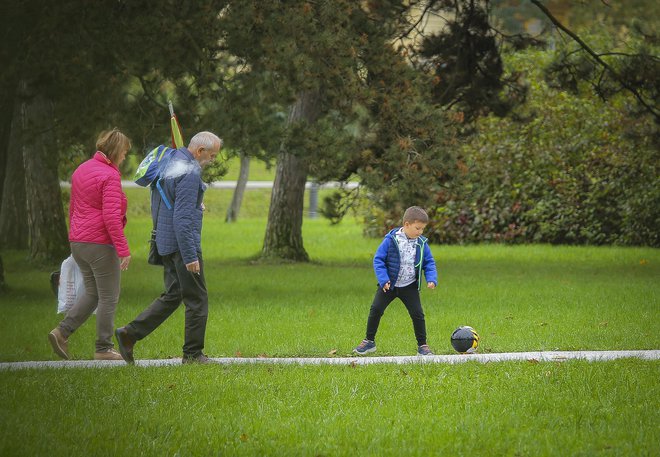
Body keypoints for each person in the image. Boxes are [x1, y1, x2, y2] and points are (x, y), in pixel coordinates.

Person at [115, 131, 222, 364]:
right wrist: (190, 256)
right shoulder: (190, 173)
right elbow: (182, 219)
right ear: (199, 151)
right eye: (212, 156)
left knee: (173, 295)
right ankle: (193, 354)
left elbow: (170, 202)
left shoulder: (170, 161)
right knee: (197, 299)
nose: (212, 161)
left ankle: (129, 333)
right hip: (183, 245)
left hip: (165, 241)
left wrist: (194, 201)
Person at [48, 128, 132, 360]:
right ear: (116, 151)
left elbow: (73, 209)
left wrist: (74, 238)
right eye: (124, 153)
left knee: (94, 293)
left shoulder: (81, 169)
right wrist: (123, 249)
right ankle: (103, 348)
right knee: (109, 295)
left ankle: (61, 332)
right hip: (100, 244)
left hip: (79, 242)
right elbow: (111, 217)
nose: (124, 157)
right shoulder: (109, 175)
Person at [353, 206, 438, 356]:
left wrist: (431, 279)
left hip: (409, 286)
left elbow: (429, 262)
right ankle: (369, 341)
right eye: (417, 228)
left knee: (417, 314)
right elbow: (378, 260)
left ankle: (422, 345)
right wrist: (383, 279)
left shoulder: (422, 243)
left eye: (423, 229)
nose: (420, 232)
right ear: (406, 225)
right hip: (389, 285)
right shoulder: (391, 240)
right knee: (376, 309)